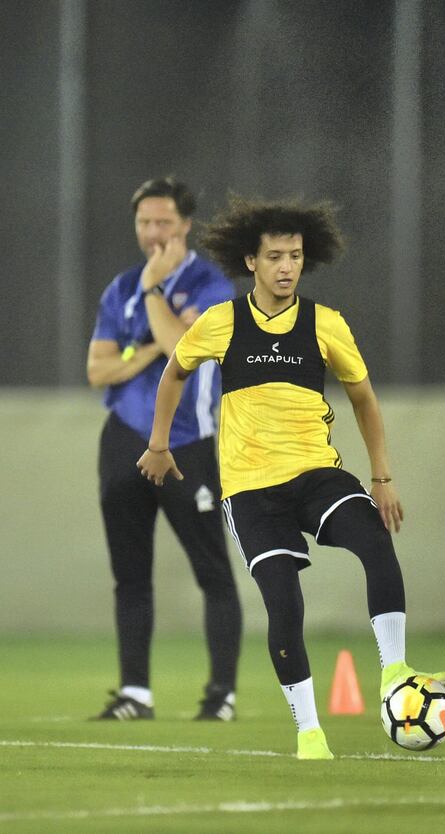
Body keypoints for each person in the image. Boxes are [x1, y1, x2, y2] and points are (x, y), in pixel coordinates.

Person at [136, 196, 445, 760]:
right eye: (275, 256)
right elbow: (174, 373)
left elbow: (363, 398)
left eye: (296, 256)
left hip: (315, 474)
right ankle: (309, 733)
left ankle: (394, 671)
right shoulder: (222, 322)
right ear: (251, 262)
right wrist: (158, 444)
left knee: (375, 541)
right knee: (284, 604)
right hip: (252, 491)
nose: (287, 267)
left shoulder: (325, 324)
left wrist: (382, 477)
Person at [87, 177, 242, 721]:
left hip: (187, 443)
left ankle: (221, 694)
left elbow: (184, 349)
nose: (152, 233)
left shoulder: (212, 283)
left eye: (162, 222)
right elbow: (98, 369)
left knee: (213, 573)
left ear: (184, 226)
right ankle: (136, 693)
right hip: (123, 442)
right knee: (130, 575)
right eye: (143, 223)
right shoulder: (119, 287)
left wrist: (155, 295)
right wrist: (148, 346)